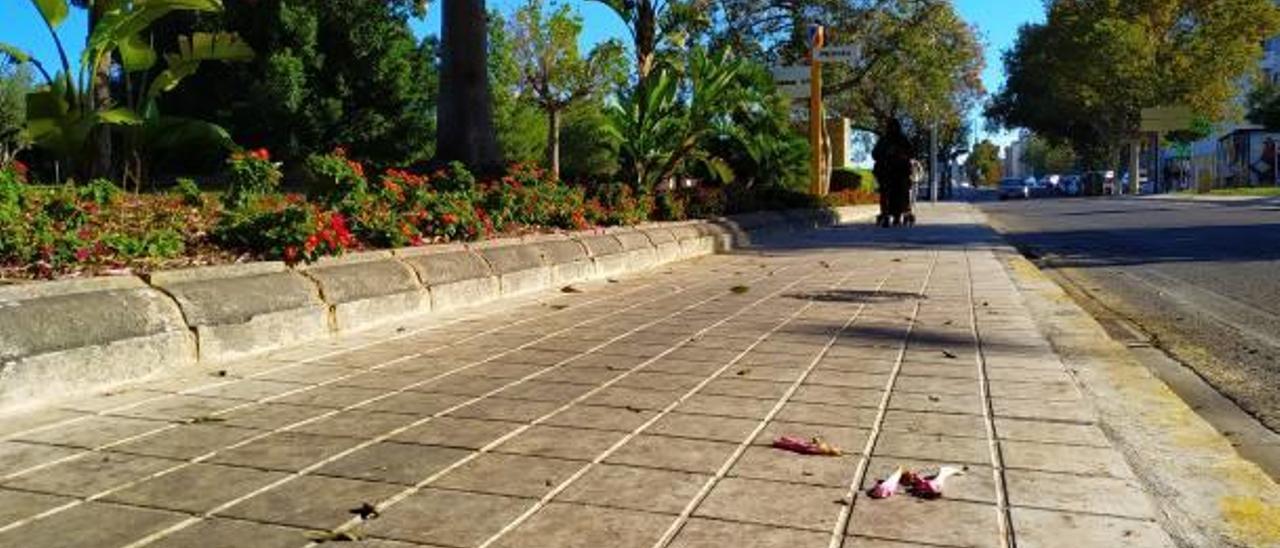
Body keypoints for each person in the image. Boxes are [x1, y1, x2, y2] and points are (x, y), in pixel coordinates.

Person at [871, 118, 917, 227]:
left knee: (890, 194)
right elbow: (875, 154)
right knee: (897, 194)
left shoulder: (887, 140)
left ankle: (890, 215)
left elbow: (875, 154)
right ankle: (893, 215)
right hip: (892, 172)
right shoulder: (896, 139)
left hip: (895, 172)